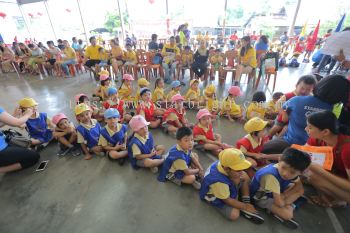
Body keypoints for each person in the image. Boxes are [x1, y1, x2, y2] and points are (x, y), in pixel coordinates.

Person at [262, 74, 350, 154]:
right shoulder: (335, 111)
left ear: (320, 85)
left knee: (261, 148)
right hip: (314, 150)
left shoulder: (296, 100)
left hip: (288, 142)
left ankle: (268, 138)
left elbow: (282, 110)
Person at [250, 148, 311, 229]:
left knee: (296, 189)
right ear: (279, 160)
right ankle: (291, 206)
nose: (285, 174)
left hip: (275, 190)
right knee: (288, 215)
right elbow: (279, 203)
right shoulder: (270, 176)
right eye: (283, 167)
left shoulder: (285, 169)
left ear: (301, 173)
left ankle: (286, 205)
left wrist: (285, 195)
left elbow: (300, 188)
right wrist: (286, 201)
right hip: (261, 197)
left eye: (292, 172)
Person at [199, 148, 264, 224]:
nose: (242, 171)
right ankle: (243, 208)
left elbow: (238, 174)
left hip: (225, 185)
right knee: (234, 215)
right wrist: (244, 206)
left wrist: (245, 204)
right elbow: (227, 200)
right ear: (227, 169)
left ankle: (246, 201)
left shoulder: (224, 164)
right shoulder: (218, 182)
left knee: (244, 176)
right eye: (238, 170)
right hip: (215, 195)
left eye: (242, 168)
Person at [305, 111, 350, 207]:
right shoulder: (317, 139)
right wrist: (267, 156)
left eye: (310, 127)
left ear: (325, 132)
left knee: (312, 175)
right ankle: (333, 196)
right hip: (338, 176)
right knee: (305, 174)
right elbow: (299, 154)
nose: (306, 129)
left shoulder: (347, 149)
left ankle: (340, 200)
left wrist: (321, 171)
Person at [0, 106, 40, 173]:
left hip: (4, 140)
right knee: (34, 157)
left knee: (27, 147)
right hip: (1, 149)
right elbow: (18, 122)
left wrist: (13, 116)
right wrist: (28, 114)